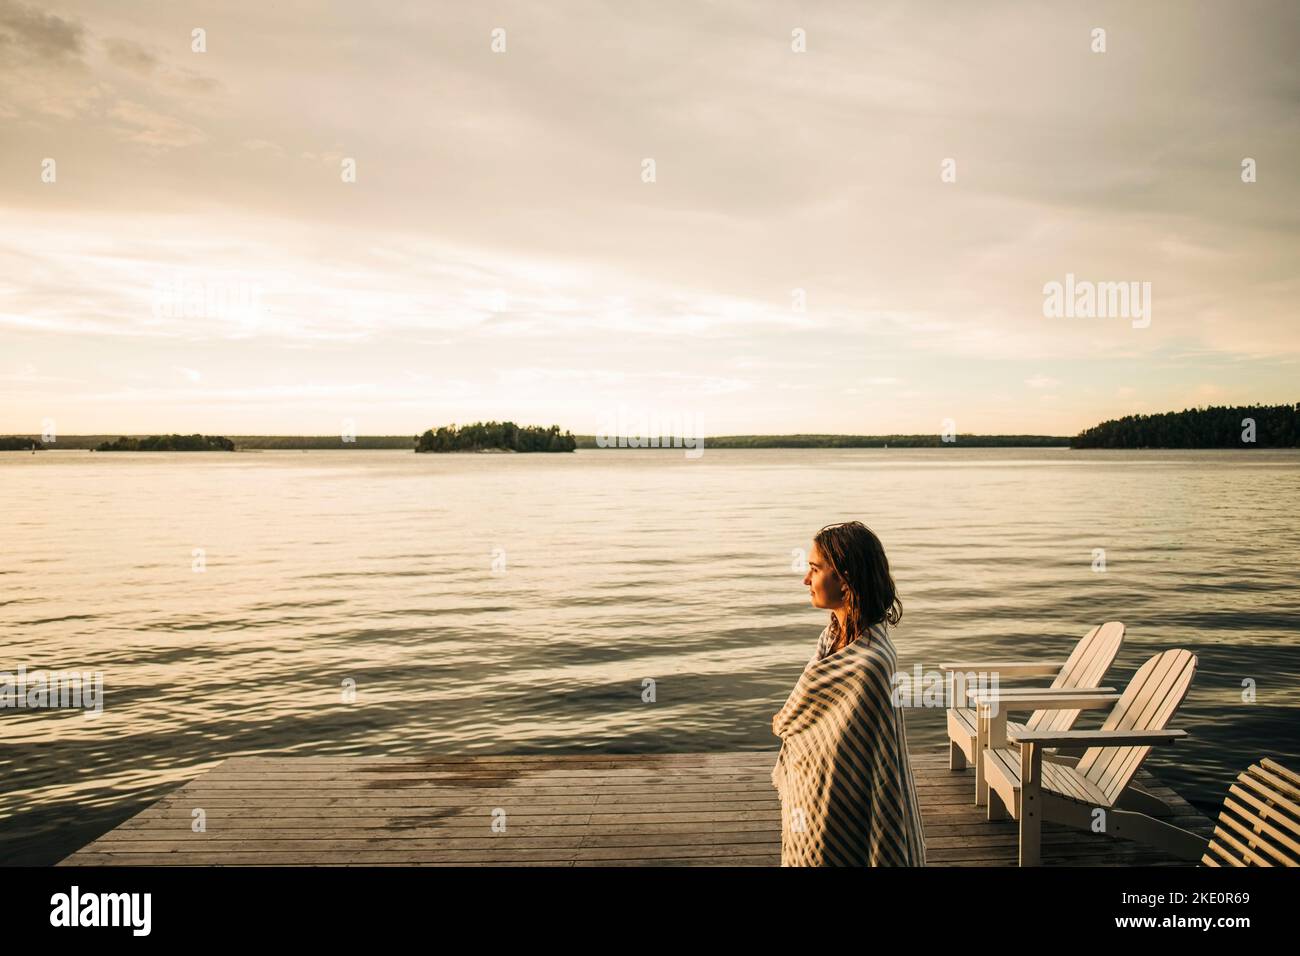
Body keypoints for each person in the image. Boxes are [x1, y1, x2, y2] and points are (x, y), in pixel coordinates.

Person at [770, 520, 927, 866]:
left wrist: (789, 721)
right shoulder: (833, 638)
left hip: (845, 807)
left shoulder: (871, 662)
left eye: (814, 569)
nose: (806, 580)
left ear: (844, 577)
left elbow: (878, 762)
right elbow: (818, 721)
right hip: (814, 804)